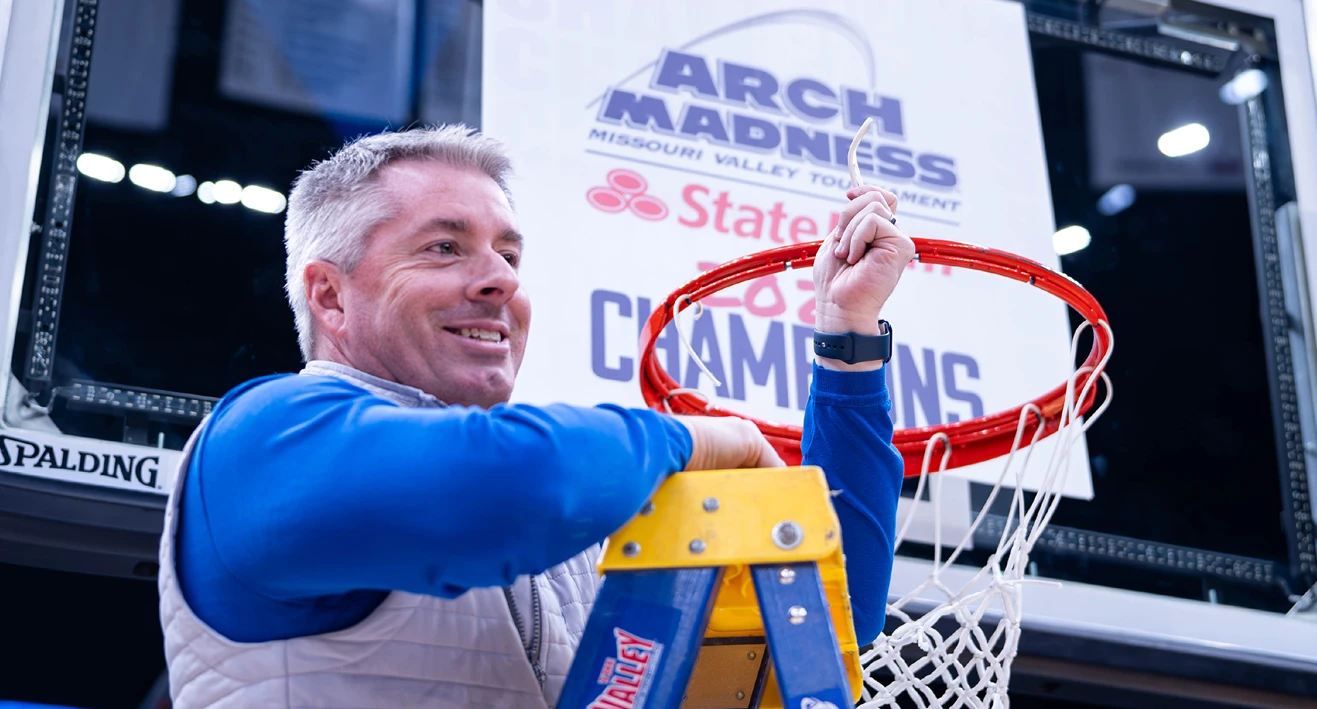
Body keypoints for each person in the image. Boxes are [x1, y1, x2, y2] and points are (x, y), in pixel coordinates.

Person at [157, 125, 914, 709]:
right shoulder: (263, 436)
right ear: (328, 295)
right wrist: (694, 436)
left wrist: (845, 336)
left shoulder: (583, 504)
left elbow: (826, 602)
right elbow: (499, 482)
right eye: (444, 247)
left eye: (510, 256)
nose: (497, 280)